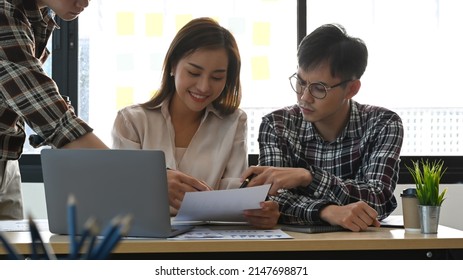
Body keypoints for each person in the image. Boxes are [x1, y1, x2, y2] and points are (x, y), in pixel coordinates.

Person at [112, 17, 279, 229]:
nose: (204, 87)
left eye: (217, 77)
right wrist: (152, 184)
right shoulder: (132, 121)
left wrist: (260, 211)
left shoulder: (234, 122)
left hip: (209, 243)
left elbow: (236, 197)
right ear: (173, 65)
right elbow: (119, 195)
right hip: (145, 240)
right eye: (194, 72)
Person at [241, 23, 404, 232]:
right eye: (300, 82)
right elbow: (274, 202)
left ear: (351, 89)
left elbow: (378, 199)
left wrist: (307, 177)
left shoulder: (383, 123)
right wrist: (327, 211)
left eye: (319, 88)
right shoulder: (277, 124)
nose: (304, 97)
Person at [0, 0, 108, 220]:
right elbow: (49, 113)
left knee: (16, 252)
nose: (85, 2)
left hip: (7, 162)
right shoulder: (3, 13)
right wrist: (140, 177)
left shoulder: (35, 15)